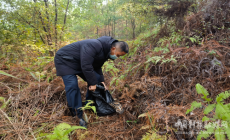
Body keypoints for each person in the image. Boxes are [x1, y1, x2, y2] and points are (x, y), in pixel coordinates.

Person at [54, 36, 129, 128]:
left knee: (97, 80)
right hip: (65, 60)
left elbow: (97, 67)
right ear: (113, 48)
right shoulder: (94, 45)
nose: (117, 57)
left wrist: (101, 81)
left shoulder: (106, 51)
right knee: (72, 85)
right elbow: (86, 65)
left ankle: (89, 105)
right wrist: (92, 84)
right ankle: (78, 116)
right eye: (118, 55)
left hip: (80, 62)